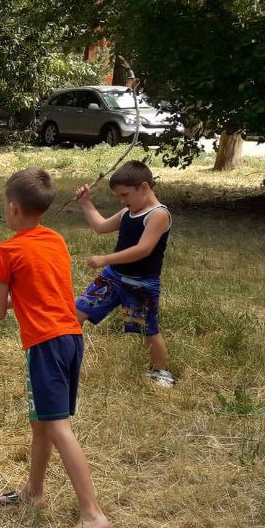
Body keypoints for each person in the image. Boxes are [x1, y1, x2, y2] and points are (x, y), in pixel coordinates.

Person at [0, 167, 112, 528]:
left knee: (58, 427)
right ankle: (33, 492)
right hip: (71, 338)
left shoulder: (8, 250)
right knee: (41, 420)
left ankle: (92, 515)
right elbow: (31, 293)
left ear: (12, 208)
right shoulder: (55, 240)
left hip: (45, 344)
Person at [73, 160, 175, 387]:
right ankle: (66, 362)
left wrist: (105, 259)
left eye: (125, 195)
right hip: (113, 278)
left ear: (145, 187)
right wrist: (85, 203)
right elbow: (100, 227)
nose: (122, 201)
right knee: (76, 313)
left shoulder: (158, 215)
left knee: (147, 328)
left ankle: (161, 371)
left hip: (141, 285)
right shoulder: (129, 211)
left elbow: (143, 250)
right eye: (119, 197)